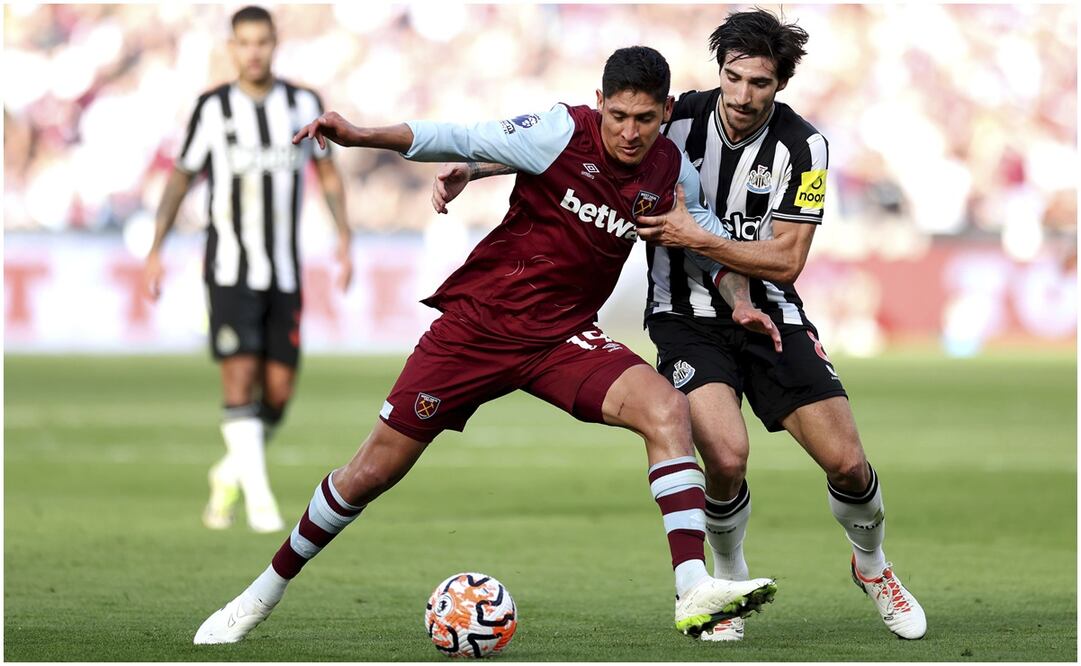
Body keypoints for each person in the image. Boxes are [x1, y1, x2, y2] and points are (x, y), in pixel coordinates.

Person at [193, 46, 785, 645]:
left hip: (562, 336)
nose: (630, 133)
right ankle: (261, 593)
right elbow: (464, 134)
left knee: (666, 408)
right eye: (619, 117)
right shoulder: (560, 130)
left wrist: (737, 298)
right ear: (599, 102)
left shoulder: (667, 169)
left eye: (646, 119)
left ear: (664, 113)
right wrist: (361, 134)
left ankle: (693, 590)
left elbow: (705, 234)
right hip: (478, 327)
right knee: (370, 471)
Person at [432, 9, 926, 643]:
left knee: (848, 464)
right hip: (682, 317)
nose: (743, 96)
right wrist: (476, 168)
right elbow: (581, 143)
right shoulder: (672, 113)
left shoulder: (804, 147)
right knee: (725, 454)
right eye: (733, 78)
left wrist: (699, 238)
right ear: (718, 72)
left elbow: (788, 259)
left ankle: (873, 566)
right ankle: (722, 578)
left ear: (781, 84)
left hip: (769, 313)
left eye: (760, 83)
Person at [143, 5, 353, 534]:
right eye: (244, 43)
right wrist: (155, 247)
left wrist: (344, 237)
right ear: (232, 48)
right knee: (238, 380)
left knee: (277, 395)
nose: (253, 51)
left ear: (274, 44)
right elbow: (180, 178)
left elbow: (327, 174)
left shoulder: (302, 103)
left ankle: (231, 470)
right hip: (230, 269)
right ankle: (260, 503)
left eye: (262, 42)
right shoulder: (212, 109)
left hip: (284, 271)